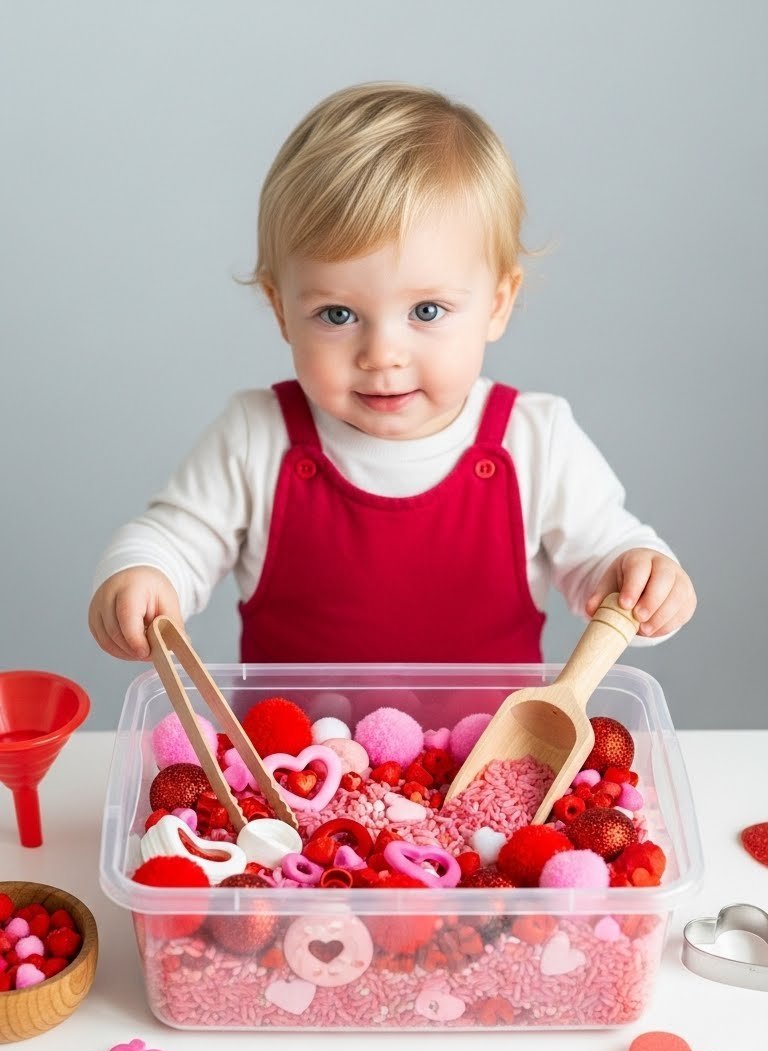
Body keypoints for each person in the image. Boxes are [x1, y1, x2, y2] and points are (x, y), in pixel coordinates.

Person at [89, 82, 696, 665]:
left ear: (497, 304)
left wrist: (640, 578)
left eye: (426, 311)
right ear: (281, 311)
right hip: (290, 767)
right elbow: (174, 537)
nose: (382, 354)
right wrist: (142, 575)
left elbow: (605, 558)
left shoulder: (536, 440)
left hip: (488, 763)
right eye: (337, 313)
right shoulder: (257, 436)